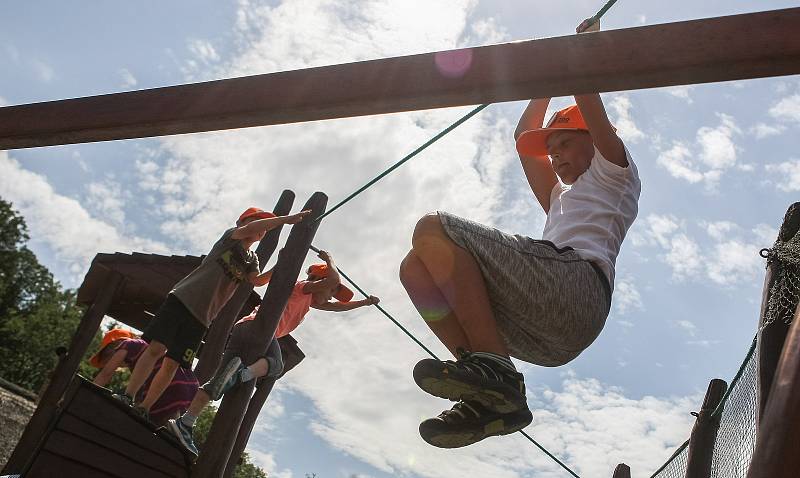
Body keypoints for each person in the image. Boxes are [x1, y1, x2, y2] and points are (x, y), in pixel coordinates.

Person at [398, 19, 641, 449]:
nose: (557, 156)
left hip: (576, 287)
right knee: (415, 268)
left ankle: (494, 368)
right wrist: (544, 78)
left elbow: (587, 92)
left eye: (565, 143)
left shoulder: (613, 173)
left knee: (433, 227)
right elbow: (521, 137)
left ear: (592, 140)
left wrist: (581, 50)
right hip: (551, 336)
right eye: (552, 151)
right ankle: (488, 389)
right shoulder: (560, 199)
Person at [166, 249, 380, 456]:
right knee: (276, 365)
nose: (333, 296)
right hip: (262, 330)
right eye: (332, 291)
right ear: (318, 281)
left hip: (242, 329)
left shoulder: (310, 301)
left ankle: (185, 422)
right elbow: (332, 281)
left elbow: (337, 308)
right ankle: (242, 373)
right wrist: (330, 259)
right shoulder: (304, 287)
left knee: (217, 383)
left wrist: (365, 303)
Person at [113, 206, 310, 419]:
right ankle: (128, 394)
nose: (263, 227)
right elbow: (254, 228)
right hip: (182, 299)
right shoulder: (231, 238)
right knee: (156, 348)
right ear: (243, 221)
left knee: (173, 363)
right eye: (259, 221)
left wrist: (281, 264)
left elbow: (257, 281)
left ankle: (144, 408)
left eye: (265, 224)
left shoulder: (252, 259)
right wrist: (285, 219)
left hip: (202, 317)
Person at [90, 328, 198, 426]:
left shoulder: (127, 344)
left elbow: (105, 374)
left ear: (116, 345)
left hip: (171, 385)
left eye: (106, 356)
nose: (106, 362)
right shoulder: (143, 361)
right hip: (187, 385)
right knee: (165, 423)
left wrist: (88, 394)